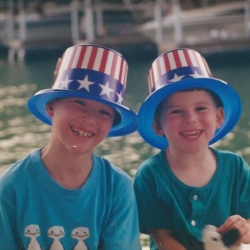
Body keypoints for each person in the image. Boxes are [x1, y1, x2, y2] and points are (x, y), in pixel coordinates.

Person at [0, 44, 141, 250]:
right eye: (79, 103)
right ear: (51, 106)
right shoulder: (12, 186)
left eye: (104, 112)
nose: (89, 119)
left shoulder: (117, 188)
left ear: (112, 124)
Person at [133, 48, 250, 250]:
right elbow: (161, 235)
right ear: (158, 125)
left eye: (201, 108)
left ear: (219, 117)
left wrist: (243, 227)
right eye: (176, 111)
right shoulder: (150, 174)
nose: (191, 119)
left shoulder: (236, 167)